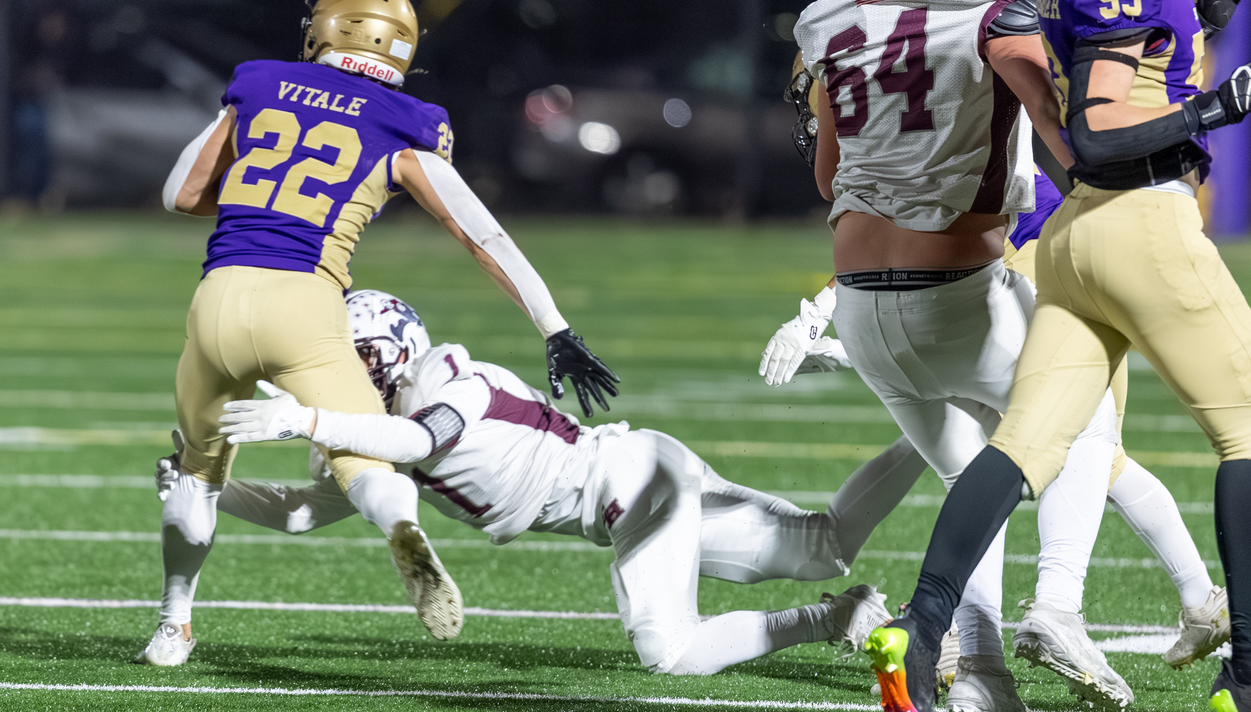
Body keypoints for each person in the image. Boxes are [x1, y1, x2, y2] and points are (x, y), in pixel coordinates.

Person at [865, 0, 1251, 712]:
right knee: (1246, 429)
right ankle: (1246, 675)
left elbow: (1121, 72)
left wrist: (1202, 16)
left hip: (1075, 238)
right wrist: (1215, 106)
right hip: (1139, 221)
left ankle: (917, 632)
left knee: (1025, 447)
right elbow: (1106, 127)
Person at [141, 0, 618, 664]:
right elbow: (480, 234)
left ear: (324, 28)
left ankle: (172, 626)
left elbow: (179, 193)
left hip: (217, 295)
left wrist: (263, 194)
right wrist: (554, 326)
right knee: (367, 454)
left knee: (196, 472)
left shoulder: (259, 82)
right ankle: (400, 525)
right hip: (304, 303)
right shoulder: (409, 120)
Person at [199, 289, 894, 676]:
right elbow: (304, 513)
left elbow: (416, 439)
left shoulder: (448, 381)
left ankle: (832, 618)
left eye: (353, 364)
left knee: (669, 650)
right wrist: (208, 484)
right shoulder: (387, 428)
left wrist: (306, 419)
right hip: (638, 477)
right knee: (819, 546)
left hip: (630, 485)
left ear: (387, 354)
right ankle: (939, 436)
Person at [790, 0, 1081, 712]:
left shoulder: (828, 17)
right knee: (1079, 417)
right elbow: (1046, 110)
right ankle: (1054, 607)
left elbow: (827, 173)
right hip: (958, 290)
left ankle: (983, 677)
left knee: (971, 476)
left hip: (860, 302)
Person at [762, 158, 1228, 705]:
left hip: (1036, 255)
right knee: (1068, 450)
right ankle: (1192, 607)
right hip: (1022, 261)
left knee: (1080, 445)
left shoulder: (944, 112)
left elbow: (914, 233)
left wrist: (825, 323)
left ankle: (1016, 625)